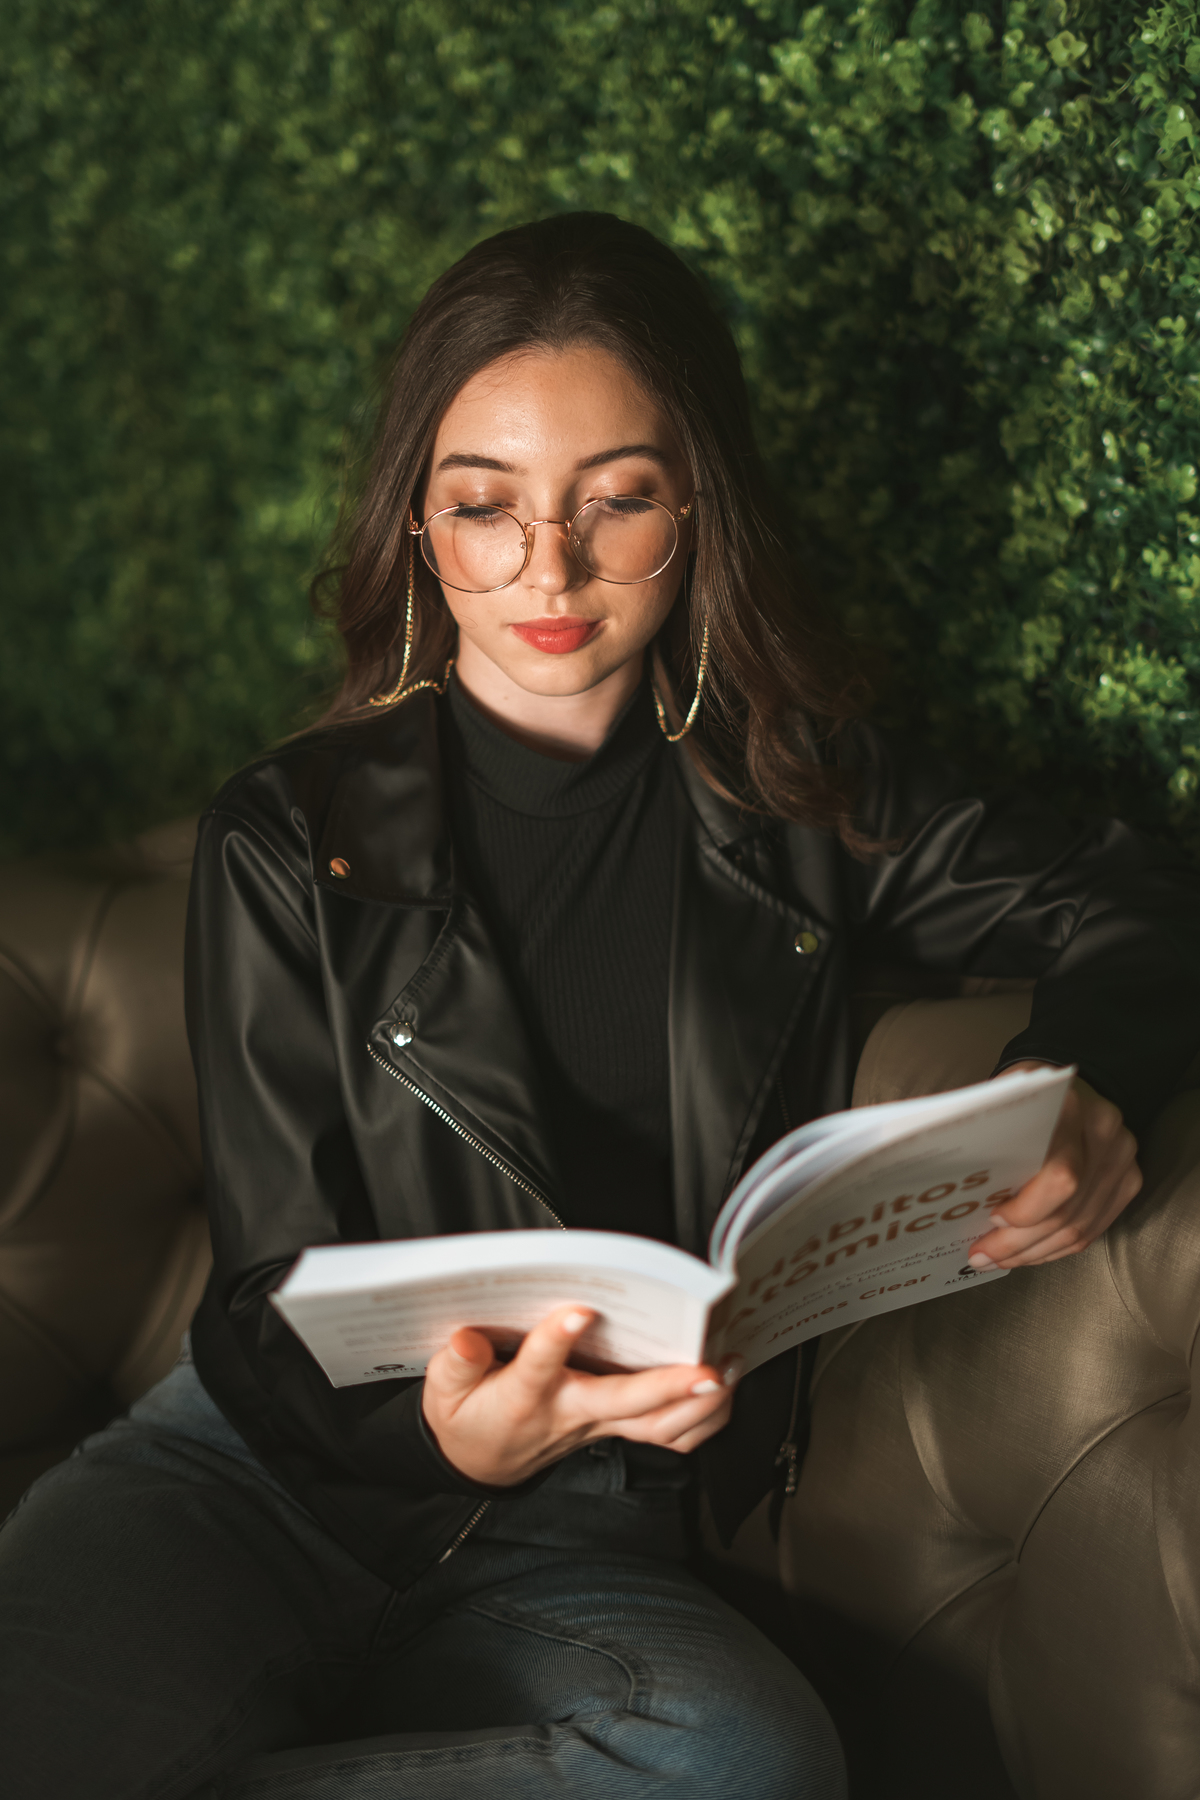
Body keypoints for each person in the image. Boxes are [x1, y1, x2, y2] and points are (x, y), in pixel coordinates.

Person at [2, 212, 1196, 1800]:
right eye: (484, 507)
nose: (544, 570)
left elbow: (1139, 897)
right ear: (421, 530)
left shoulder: (801, 795)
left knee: (742, 1757)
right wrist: (445, 1437)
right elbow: (263, 1304)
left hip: (581, 1530)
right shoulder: (291, 831)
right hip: (245, 1474)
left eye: (615, 500)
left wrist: (1087, 1077)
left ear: (697, 511)